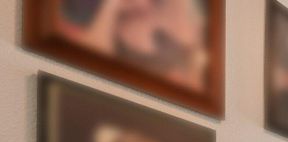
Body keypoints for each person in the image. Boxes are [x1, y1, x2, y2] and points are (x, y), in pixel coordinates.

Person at [57, 0, 208, 92]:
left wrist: (111, 5)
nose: (144, 7)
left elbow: (94, 58)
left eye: (135, 14)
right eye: (157, 33)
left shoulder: (80, 11)